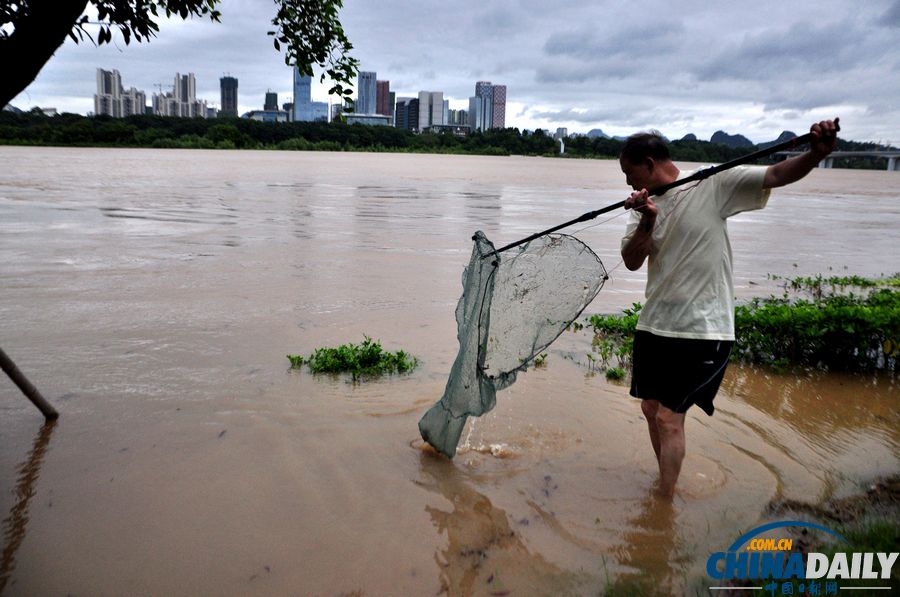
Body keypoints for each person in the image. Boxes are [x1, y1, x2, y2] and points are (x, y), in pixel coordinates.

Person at [620, 119, 839, 498]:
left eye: (630, 173)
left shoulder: (713, 183)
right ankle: (664, 483)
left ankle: (663, 502)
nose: (627, 183)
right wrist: (647, 221)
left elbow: (774, 174)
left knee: (670, 419)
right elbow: (631, 261)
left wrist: (814, 155)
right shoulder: (643, 206)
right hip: (654, 325)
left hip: (703, 329)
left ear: (651, 163)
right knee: (651, 410)